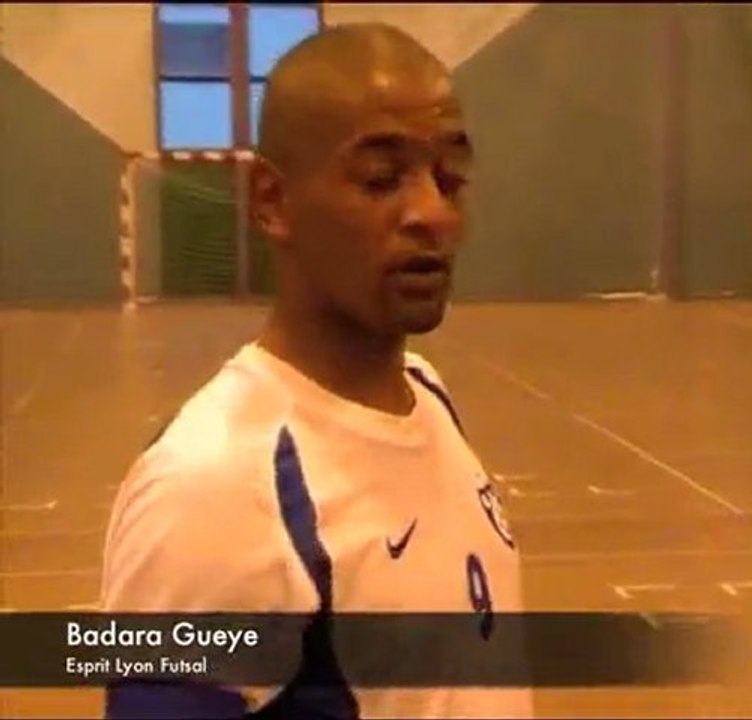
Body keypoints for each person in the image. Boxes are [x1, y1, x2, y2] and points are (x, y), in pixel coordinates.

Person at [101, 22, 531, 719]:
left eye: (451, 177)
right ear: (272, 201)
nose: (433, 213)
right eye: (382, 179)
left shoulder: (426, 396)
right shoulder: (210, 489)